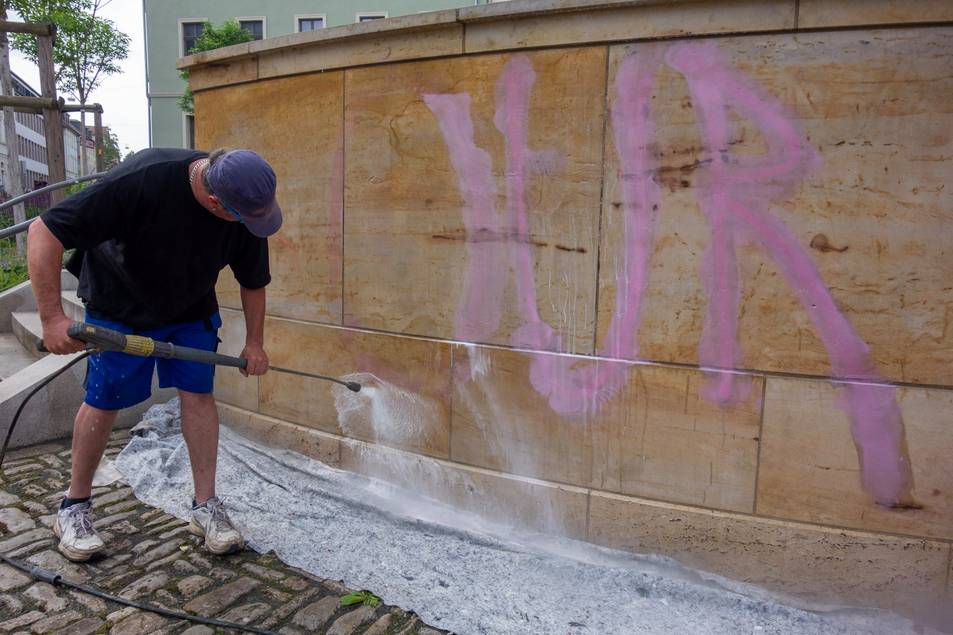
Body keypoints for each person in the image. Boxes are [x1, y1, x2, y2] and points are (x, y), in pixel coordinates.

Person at [27, 147, 281, 562]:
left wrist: (255, 342)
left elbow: (254, 281)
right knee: (103, 401)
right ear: (216, 202)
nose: (252, 225)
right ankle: (73, 507)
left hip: (191, 308)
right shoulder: (142, 180)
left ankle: (205, 507)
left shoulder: (245, 207)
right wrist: (52, 318)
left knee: (198, 396)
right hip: (119, 307)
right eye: (241, 216)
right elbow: (44, 231)